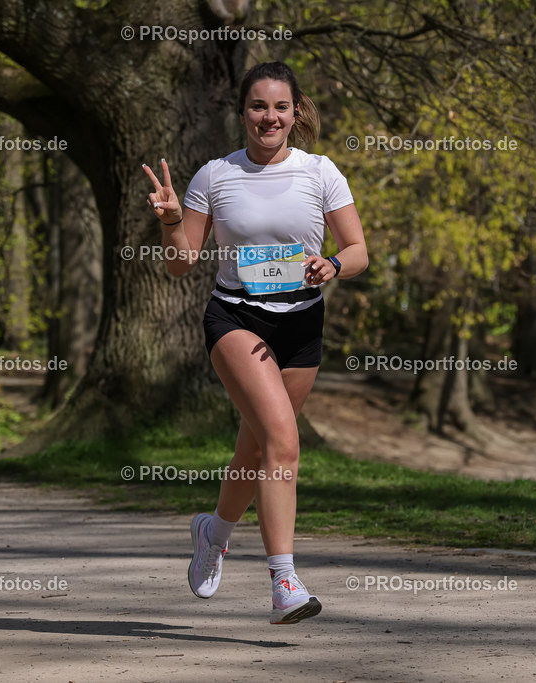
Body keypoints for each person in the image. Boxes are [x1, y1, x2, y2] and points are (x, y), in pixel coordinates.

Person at [142, 61, 367, 625]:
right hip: (236, 318)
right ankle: (284, 580)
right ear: (242, 112)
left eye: (280, 107)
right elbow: (180, 264)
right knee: (284, 443)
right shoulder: (215, 176)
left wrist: (331, 264)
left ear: (296, 112)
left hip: (301, 324)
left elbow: (359, 248)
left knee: (258, 447)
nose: (270, 117)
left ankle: (213, 531)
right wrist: (172, 222)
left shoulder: (320, 172)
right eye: (259, 106)